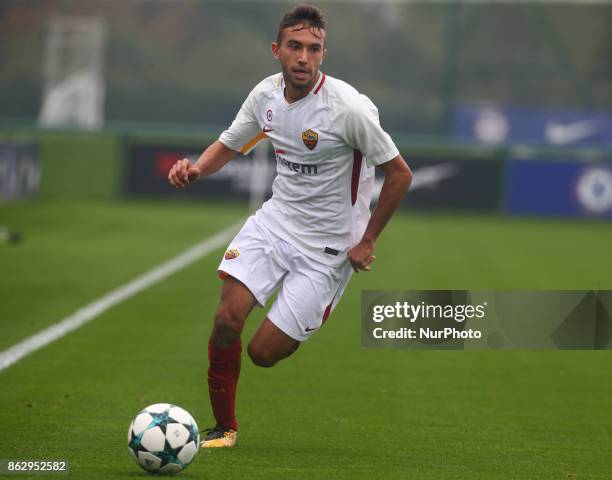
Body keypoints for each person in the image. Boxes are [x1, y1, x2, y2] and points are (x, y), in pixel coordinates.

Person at [167, 4, 412, 448]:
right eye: (295, 47)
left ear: (323, 54)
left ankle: (305, 316)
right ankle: (224, 429)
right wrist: (196, 170)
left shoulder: (348, 109)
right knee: (226, 319)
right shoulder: (265, 96)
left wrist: (368, 241)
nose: (304, 57)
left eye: (314, 49)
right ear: (277, 50)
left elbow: (400, 174)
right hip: (275, 224)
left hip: (328, 252)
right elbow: (230, 142)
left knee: (262, 354)